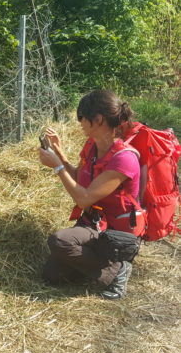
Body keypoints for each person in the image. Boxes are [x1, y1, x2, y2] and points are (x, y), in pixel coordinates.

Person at [38, 89, 145, 300]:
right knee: (53, 275)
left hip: (116, 234)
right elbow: (80, 178)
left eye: (82, 118)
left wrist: (57, 167)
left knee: (60, 242)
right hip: (94, 222)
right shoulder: (92, 146)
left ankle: (118, 269)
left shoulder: (124, 159)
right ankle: (96, 264)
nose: (80, 123)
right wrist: (58, 153)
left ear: (98, 119)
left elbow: (84, 198)